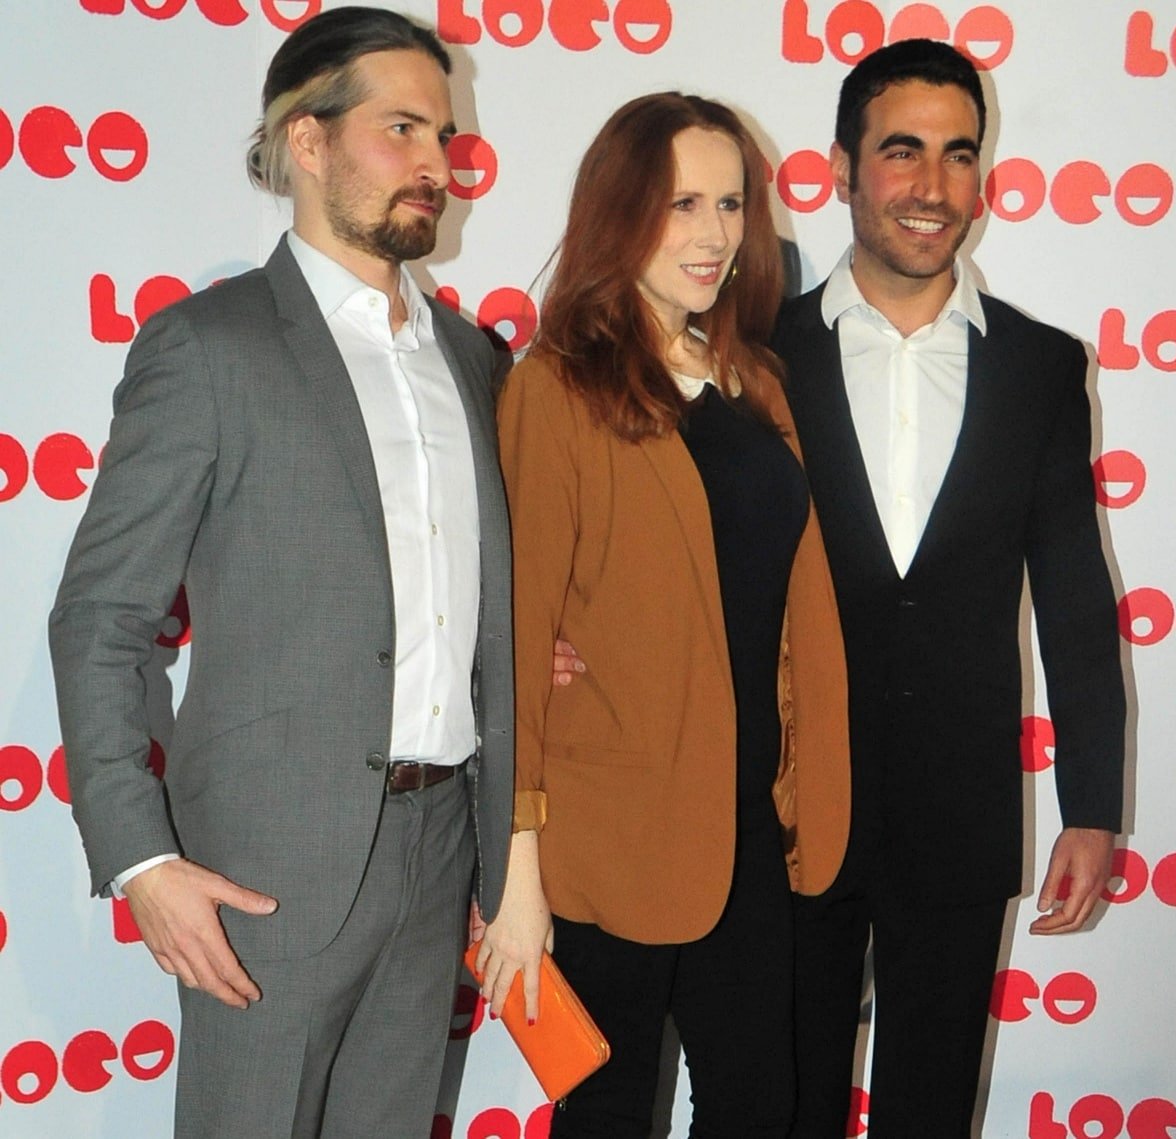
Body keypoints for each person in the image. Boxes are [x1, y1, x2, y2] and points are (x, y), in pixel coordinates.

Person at [47, 9, 513, 1137]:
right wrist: (143, 858)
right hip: (264, 869)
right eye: (399, 128)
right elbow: (102, 618)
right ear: (307, 143)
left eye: (441, 135)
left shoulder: (477, 360)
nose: (435, 166)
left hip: (442, 845)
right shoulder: (209, 346)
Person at [474, 92, 851, 1139]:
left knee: (757, 1108)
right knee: (604, 1114)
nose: (714, 233)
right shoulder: (555, 391)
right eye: (681, 202)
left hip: (748, 836)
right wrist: (514, 880)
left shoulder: (757, 387)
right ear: (619, 210)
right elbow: (515, 638)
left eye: (730, 203)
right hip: (604, 846)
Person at [770, 39, 1126, 1138]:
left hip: (961, 811)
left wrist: (1095, 803)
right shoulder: (756, 352)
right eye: (902, 152)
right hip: (783, 805)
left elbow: (1073, 591)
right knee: (779, 1106)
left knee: (932, 1111)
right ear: (841, 167)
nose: (932, 187)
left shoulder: (1039, 364)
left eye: (958, 156)